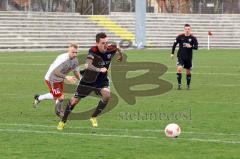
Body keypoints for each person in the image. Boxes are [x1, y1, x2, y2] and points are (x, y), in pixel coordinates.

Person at [57, 32, 123, 130]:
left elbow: (118, 48)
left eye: (106, 42)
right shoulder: (93, 51)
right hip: (88, 79)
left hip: (102, 80)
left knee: (107, 96)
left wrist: (120, 56)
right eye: (103, 43)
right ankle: (63, 121)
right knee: (74, 101)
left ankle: (93, 116)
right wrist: (99, 69)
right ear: (97, 43)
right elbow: (88, 65)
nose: (106, 45)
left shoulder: (111, 48)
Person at [33, 43, 81, 116]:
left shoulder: (75, 60)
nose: (74, 54)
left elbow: (76, 71)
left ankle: (39, 98)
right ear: (69, 50)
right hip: (51, 78)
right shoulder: (62, 58)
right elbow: (56, 72)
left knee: (56, 96)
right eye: (72, 52)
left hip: (59, 78)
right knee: (60, 97)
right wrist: (67, 77)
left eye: (76, 52)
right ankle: (59, 112)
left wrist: (81, 80)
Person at [171, 24, 198, 90]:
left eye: (188, 29)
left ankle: (188, 85)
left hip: (188, 57)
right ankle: (179, 85)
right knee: (179, 69)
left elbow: (196, 47)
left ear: (190, 30)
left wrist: (191, 46)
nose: (187, 30)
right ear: (184, 29)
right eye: (186, 29)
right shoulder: (180, 37)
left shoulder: (193, 38)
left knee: (188, 72)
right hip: (180, 56)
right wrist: (172, 53)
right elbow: (174, 44)